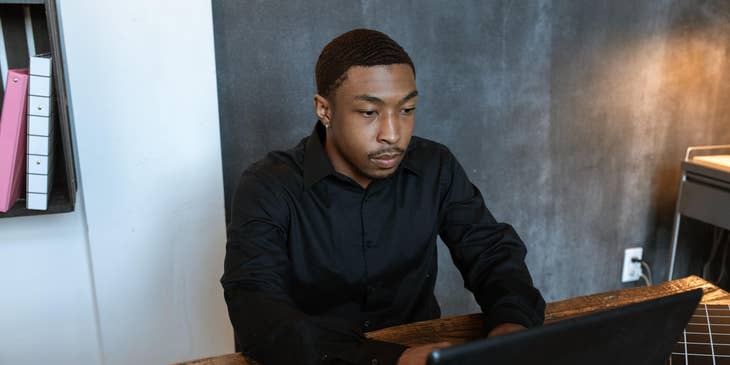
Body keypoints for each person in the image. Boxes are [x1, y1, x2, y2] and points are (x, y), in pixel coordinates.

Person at [221, 28, 545, 365]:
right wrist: (390, 360)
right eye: (369, 112)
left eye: (406, 110)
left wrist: (512, 323)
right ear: (324, 110)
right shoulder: (267, 185)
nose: (393, 134)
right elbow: (257, 311)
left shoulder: (436, 166)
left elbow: (491, 253)